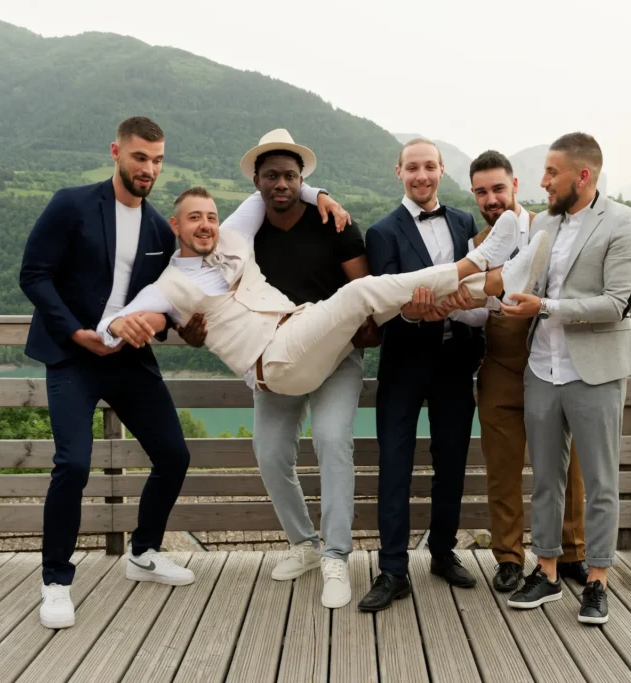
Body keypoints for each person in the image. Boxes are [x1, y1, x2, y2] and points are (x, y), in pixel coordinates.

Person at [96, 182, 542, 403]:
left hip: (303, 330)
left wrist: (320, 194)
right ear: (176, 226)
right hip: (276, 363)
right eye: (194, 218)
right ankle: (478, 268)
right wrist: (118, 324)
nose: (206, 225)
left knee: (389, 304)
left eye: (210, 216)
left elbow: (270, 185)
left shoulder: (232, 234)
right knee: (362, 291)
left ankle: (487, 287)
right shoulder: (167, 287)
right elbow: (111, 325)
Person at [175, 129, 379, 609]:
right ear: (257, 181)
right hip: (275, 359)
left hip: (335, 355)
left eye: (290, 175)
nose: (281, 183)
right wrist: (191, 329)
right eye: (272, 176)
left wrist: (369, 332)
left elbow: (364, 288)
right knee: (268, 451)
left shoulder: (335, 223)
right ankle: (304, 544)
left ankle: (335, 555)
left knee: (331, 440)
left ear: (301, 178)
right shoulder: (243, 234)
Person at [19, 116, 194, 631]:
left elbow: (169, 303)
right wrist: (76, 333)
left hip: (129, 360)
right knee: (73, 464)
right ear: (117, 151)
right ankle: (55, 581)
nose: (150, 169)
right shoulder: (71, 204)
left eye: (158, 160)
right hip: (73, 354)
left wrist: (159, 322)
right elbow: (34, 274)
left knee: (174, 456)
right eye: (141, 157)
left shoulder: (162, 229)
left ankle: (142, 554)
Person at [501, 133, 631, 626]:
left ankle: (598, 582)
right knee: (545, 477)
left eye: (551, 173)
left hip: (595, 370)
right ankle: (545, 571)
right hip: (541, 366)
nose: (542, 183)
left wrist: (545, 306)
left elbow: (615, 304)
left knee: (602, 482)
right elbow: (528, 282)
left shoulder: (625, 222)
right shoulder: (543, 221)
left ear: (582, 176)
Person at [444, 150, 588, 592]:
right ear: (474, 195)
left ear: (515, 187)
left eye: (498, 189)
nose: (491, 198)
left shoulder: (553, 228)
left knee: (568, 466)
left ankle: (572, 554)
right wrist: (453, 307)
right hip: (501, 366)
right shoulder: (475, 247)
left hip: (552, 362)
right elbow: (480, 314)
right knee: (502, 468)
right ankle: (509, 558)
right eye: (482, 192)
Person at [358, 138, 488, 612]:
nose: (421, 175)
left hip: (458, 359)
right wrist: (414, 314)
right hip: (405, 360)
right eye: (412, 168)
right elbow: (386, 306)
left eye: (429, 167)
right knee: (394, 463)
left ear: (441, 169)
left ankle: (442, 552)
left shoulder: (462, 221)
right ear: (399, 173)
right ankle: (392, 569)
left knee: (451, 459)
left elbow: (475, 286)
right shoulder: (381, 232)